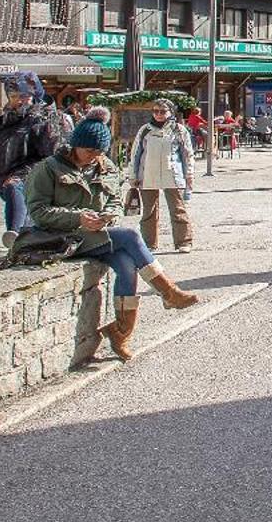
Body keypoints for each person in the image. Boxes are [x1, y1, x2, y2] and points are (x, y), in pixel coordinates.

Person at [26, 117, 198, 362]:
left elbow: (116, 201)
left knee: (127, 265)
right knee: (129, 236)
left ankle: (121, 333)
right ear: (75, 145)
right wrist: (78, 219)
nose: (94, 156)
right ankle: (168, 292)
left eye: (99, 152)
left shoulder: (104, 165)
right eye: (89, 151)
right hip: (64, 238)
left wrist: (109, 216)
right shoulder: (48, 168)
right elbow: (38, 212)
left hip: (97, 234)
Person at [0, 77, 61, 248]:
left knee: (15, 187)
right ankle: (20, 239)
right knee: (14, 193)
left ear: (34, 96)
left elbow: (51, 154)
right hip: (3, 175)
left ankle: (15, 234)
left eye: (25, 96)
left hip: (31, 175)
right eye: (14, 96)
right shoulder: (2, 120)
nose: (19, 100)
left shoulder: (43, 118)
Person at [128, 98, 196, 252]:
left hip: (172, 173)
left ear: (170, 112)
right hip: (147, 173)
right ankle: (149, 243)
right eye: (155, 111)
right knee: (149, 211)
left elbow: (187, 154)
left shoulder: (179, 130)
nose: (158, 114)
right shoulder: (145, 130)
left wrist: (189, 173)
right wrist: (132, 175)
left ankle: (183, 241)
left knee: (178, 209)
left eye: (162, 111)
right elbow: (136, 153)